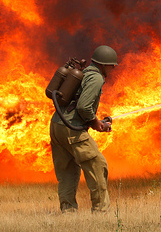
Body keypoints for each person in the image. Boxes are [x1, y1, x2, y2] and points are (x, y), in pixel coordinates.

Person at [49, 45, 118, 213]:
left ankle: (68, 211)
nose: (113, 68)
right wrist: (95, 123)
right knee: (97, 165)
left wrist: (95, 121)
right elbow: (84, 107)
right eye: (111, 65)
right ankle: (101, 211)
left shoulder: (84, 73)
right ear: (104, 64)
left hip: (57, 126)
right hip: (71, 130)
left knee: (67, 172)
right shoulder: (96, 78)